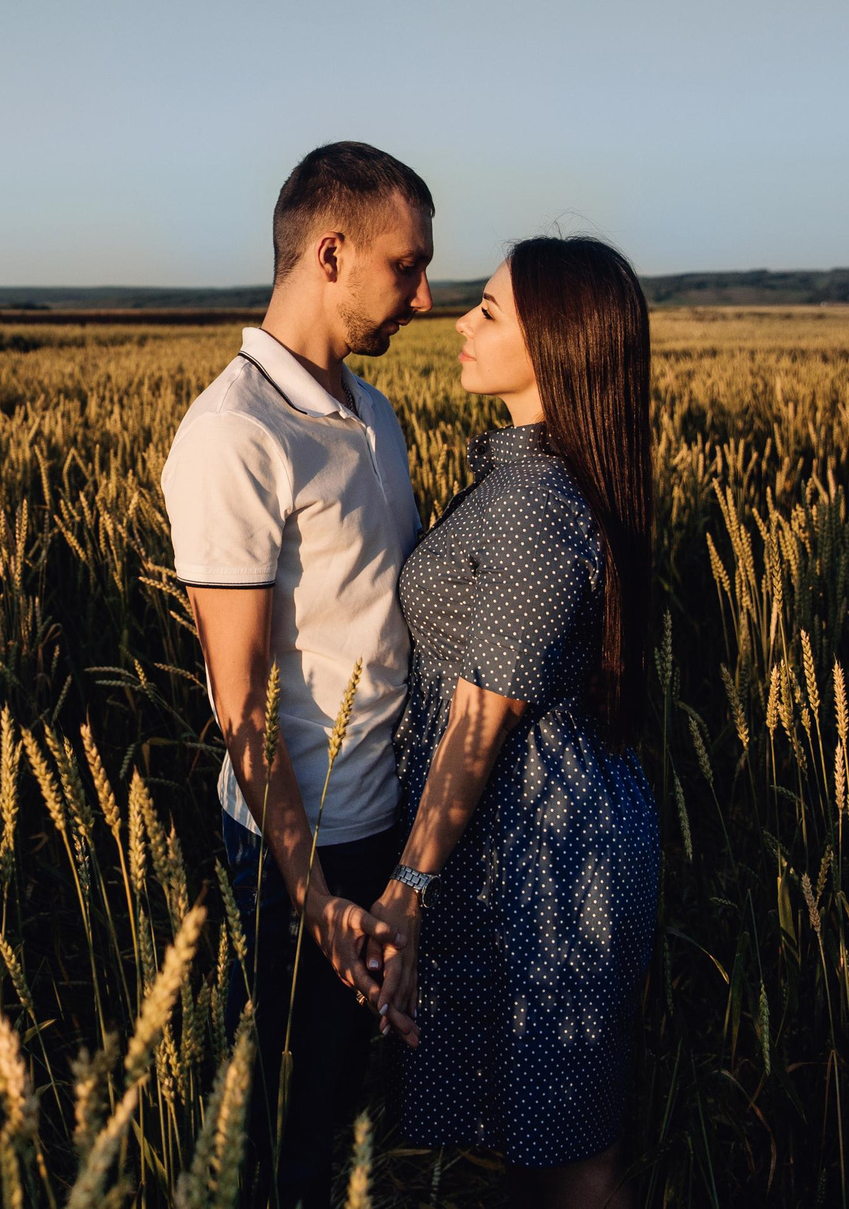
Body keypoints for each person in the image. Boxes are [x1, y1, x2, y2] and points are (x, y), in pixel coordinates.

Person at [160, 141, 437, 1208]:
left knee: (340, 1107)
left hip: (385, 830)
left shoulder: (373, 416)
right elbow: (239, 702)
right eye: (405, 268)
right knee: (285, 1141)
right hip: (295, 847)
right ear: (330, 254)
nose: (425, 295)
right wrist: (312, 896)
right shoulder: (234, 436)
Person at [367, 236, 660, 1209]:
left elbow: (479, 720)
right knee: (536, 1139)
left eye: (489, 312)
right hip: (523, 846)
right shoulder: (524, 478)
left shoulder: (533, 503)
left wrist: (406, 889)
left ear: (559, 343)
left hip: (552, 857)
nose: (459, 320)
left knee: (567, 1154)